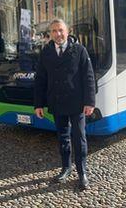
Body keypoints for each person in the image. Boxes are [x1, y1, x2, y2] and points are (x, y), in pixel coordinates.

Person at [34, 19, 96, 190]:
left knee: (79, 137)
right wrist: (38, 104)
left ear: (67, 32)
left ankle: (82, 171)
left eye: (60, 30)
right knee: (62, 137)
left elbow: (88, 77)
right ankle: (66, 167)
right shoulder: (46, 52)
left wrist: (89, 101)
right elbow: (40, 80)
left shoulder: (79, 50)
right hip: (56, 101)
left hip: (77, 103)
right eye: (54, 31)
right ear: (50, 34)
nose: (58, 34)